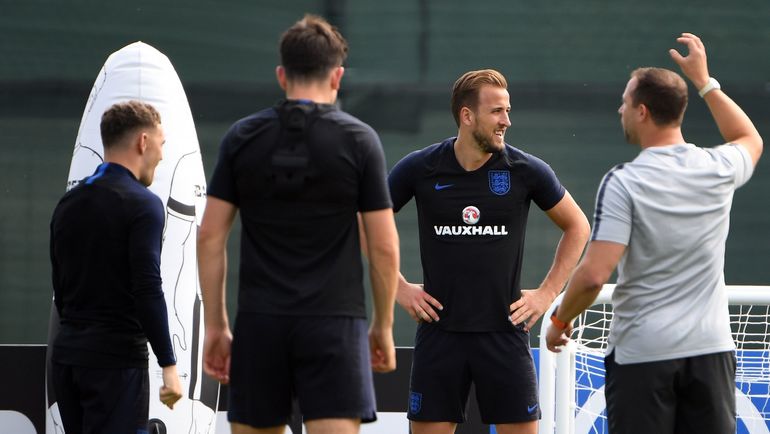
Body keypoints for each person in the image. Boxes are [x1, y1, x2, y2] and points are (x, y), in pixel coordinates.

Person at [545, 33, 763, 434]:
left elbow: (594, 275)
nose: (619, 109)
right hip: (711, 352)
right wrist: (705, 82)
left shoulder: (624, 182)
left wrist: (560, 319)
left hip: (643, 357)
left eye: (625, 102)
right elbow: (750, 138)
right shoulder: (717, 167)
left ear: (642, 112)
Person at [197, 14, 399, 434]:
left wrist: (217, 327)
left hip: (260, 323)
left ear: (281, 75)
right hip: (335, 324)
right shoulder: (359, 140)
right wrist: (383, 325)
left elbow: (210, 236)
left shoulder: (242, 138)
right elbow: (383, 247)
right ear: (337, 76)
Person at [388, 69, 590, 434]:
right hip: (439, 335)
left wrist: (547, 294)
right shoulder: (421, 168)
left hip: (505, 334)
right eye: (497, 111)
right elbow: (364, 223)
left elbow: (579, 226)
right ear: (467, 116)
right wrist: (398, 287)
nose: (507, 121)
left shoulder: (525, 169)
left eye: (508, 110)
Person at [49, 100, 183, 433]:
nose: (163, 155)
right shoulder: (143, 205)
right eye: (161, 144)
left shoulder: (68, 203)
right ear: (143, 142)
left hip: (67, 362)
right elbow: (148, 288)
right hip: (115, 364)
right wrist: (168, 364)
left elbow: (61, 290)